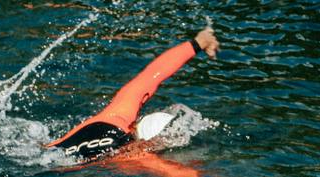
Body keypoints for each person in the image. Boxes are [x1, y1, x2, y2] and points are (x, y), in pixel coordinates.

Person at [50, 28, 220, 162]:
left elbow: (153, 74)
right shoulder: (135, 157)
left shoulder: (117, 116)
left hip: (46, 153)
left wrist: (198, 43)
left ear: (138, 123)